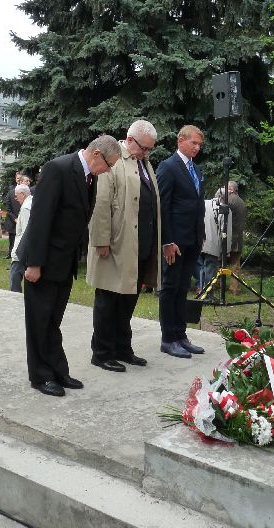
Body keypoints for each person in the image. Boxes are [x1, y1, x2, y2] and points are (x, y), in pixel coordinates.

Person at [15, 135, 121, 397]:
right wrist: (34, 264)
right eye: (108, 164)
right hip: (43, 261)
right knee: (39, 321)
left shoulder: (90, 177)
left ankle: (58, 370)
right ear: (96, 154)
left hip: (64, 262)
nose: (108, 170)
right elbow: (40, 219)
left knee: (53, 320)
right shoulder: (58, 168)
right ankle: (40, 376)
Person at [87, 120, 161, 372]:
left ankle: (122, 347)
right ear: (130, 140)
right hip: (116, 244)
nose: (147, 153)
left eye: (150, 149)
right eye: (144, 148)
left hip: (139, 245)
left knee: (128, 299)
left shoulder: (144, 163)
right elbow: (101, 202)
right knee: (108, 300)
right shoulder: (114, 159)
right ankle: (102, 352)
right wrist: (101, 240)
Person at [156, 125, 206, 358]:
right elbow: (162, 207)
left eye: (199, 144)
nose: (197, 148)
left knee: (183, 287)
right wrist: (167, 241)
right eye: (193, 143)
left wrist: (200, 234)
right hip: (175, 241)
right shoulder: (168, 167)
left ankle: (180, 335)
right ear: (180, 140)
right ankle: (168, 339)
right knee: (170, 287)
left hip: (192, 240)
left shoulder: (195, 169)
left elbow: (198, 205)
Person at [216, 181, 246, 295]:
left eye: (226, 188)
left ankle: (217, 284)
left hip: (228, 238)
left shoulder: (228, 200)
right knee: (235, 265)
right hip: (238, 238)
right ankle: (235, 288)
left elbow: (220, 215)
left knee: (219, 262)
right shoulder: (241, 201)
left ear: (231, 189)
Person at [195, 197, 222, 295]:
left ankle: (201, 289)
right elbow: (224, 230)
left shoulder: (201, 204)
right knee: (210, 269)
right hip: (212, 244)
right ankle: (208, 294)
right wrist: (225, 251)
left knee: (201, 268)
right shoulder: (222, 208)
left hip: (199, 241)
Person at [9, 184, 32, 292]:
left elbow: (26, 232)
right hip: (24, 249)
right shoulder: (30, 203)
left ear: (22, 194)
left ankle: (14, 296)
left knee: (15, 275)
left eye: (16, 195)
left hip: (21, 250)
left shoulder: (26, 207)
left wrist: (18, 251)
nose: (15, 198)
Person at [3, 171, 23, 258]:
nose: (19, 180)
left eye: (20, 178)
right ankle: (10, 253)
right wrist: (14, 218)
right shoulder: (11, 190)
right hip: (12, 218)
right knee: (12, 237)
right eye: (17, 178)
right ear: (15, 179)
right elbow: (7, 205)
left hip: (22, 217)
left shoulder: (27, 190)